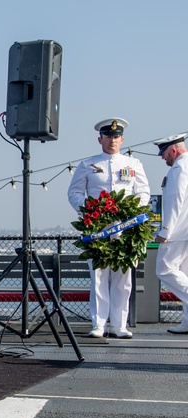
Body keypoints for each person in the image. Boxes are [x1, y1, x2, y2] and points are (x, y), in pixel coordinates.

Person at [66, 118, 151, 339]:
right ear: (100, 139)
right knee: (99, 277)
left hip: (126, 228)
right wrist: (88, 210)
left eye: (116, 137)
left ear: (122, 139)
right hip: (98, 228)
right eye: (108, 136)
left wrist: (133, 212)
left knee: (123, 279)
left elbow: (143, 193)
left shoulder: (134, 165)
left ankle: (119, 325)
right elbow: (74, 193)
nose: (112, 140)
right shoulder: (88, 165)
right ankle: (99, 324)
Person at [154, 133, 188, 334]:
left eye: (164, 152)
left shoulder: (179, 168)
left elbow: (175, 200)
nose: (162, 157)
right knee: (184, 273)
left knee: (164, 269)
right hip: (185, 230)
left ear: (174, 150)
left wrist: (165, 230)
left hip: (179, 230)